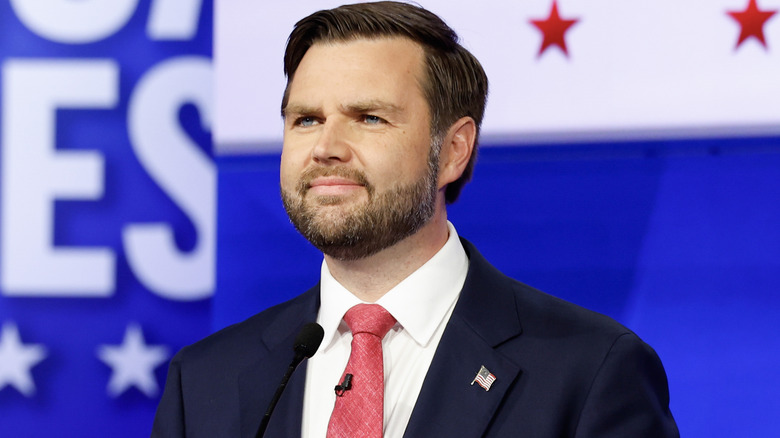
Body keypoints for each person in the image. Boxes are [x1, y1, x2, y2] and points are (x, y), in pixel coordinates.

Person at [152, 2, 679, 437]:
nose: (326, 148)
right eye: (306, 119)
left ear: (453, 151)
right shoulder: (203, 382)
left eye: (370, 118)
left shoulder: (590, 372)